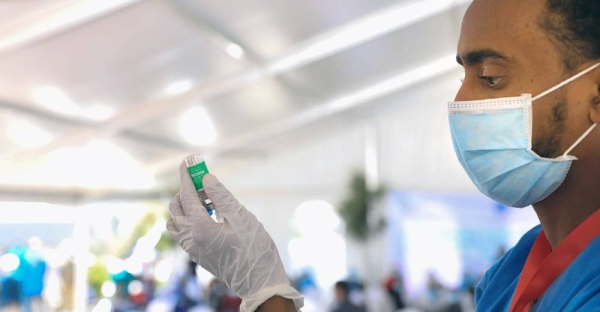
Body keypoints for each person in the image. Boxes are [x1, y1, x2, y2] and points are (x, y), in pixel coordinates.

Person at [166, 0, 600, 311]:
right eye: (463, 75)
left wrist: (266, 292)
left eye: (490, 77)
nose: (461, 100)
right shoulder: (513, 271)